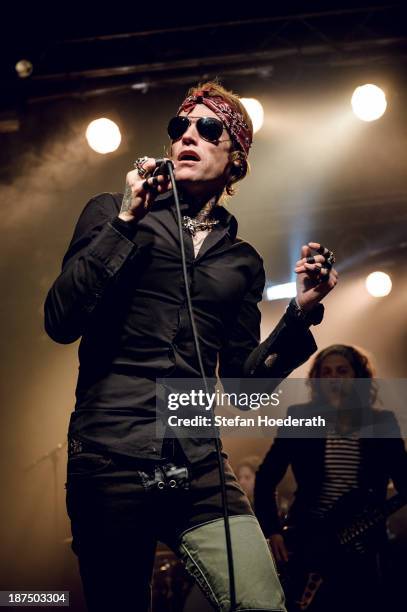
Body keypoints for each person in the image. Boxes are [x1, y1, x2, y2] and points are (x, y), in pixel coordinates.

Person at [44, 81, 338, 612]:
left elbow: (247, 388)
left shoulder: (242, 261)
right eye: (179, 126)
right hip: (110, 457)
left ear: (237, 160)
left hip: (196, 462)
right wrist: (126, 221)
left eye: (208, 129)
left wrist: (302, 311)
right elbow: (60, 320)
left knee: (262, 602)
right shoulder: (111, 211)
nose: (187, 136)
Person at [255, 344, 407, 612]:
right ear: (317, 380)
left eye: (341, 371)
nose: (333, 377)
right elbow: (266, 476)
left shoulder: (382, 422)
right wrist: (273, 531)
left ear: (358, 377)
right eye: (326, 372)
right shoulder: (300, 417)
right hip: (309, 540)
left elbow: (403, 479)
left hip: (363, 541)